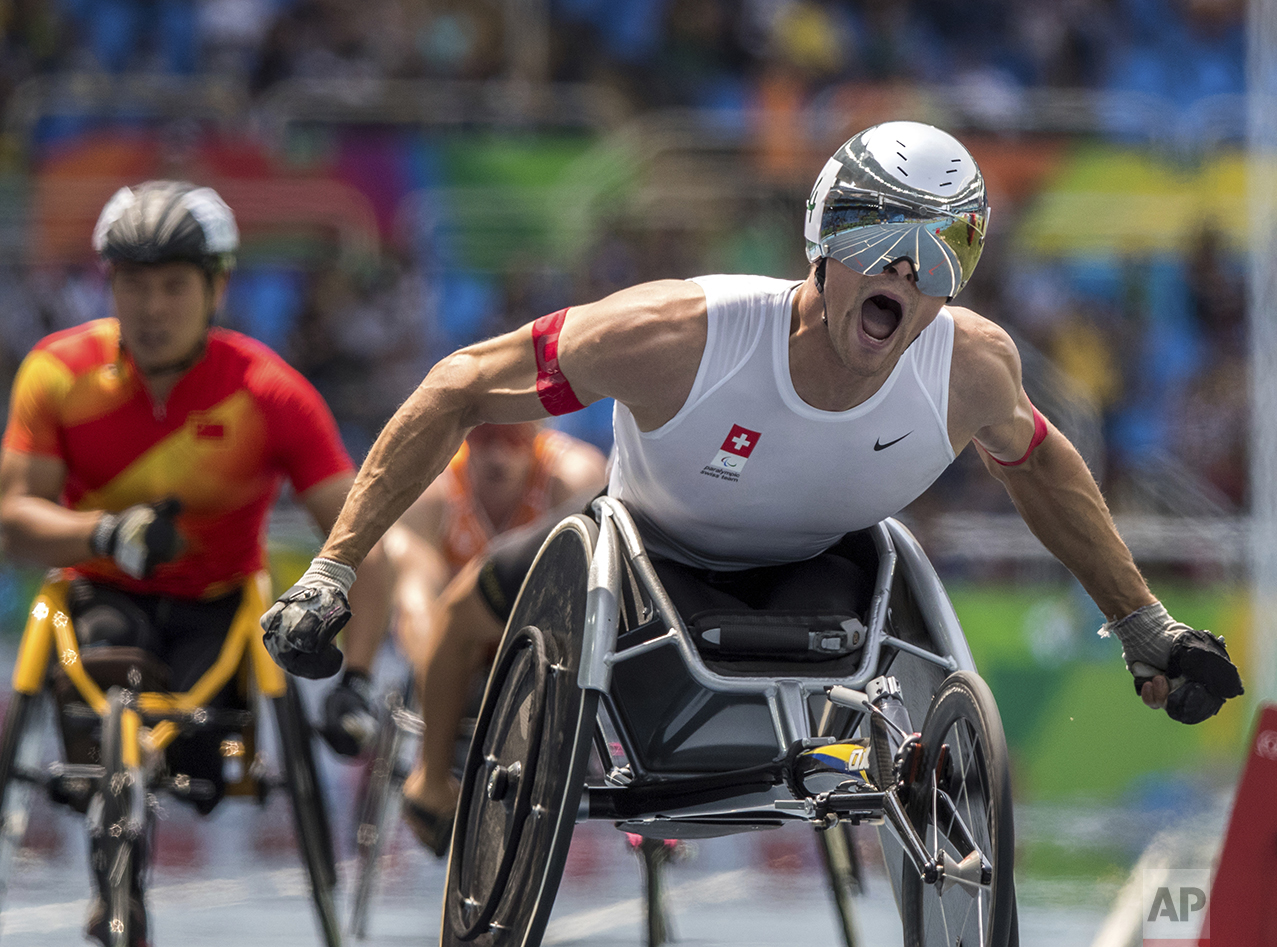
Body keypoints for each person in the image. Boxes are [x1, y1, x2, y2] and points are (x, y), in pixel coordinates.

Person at [262, 121, 1243, 792]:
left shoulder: (970, 366)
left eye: (943, 247)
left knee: (878, 582)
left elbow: (1040, 464)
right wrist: (331, 573)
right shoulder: (678, 332)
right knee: (483, 596)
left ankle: (844, 755)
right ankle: (436, 779)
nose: (908, 267)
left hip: (819, 578)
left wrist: (1145, 627)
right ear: (821, 234)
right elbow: (457, 384)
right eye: (883, 231)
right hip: (644, 569)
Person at [0, 180, 391, 947]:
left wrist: (358, 677)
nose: (151, 307)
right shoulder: (55, 373)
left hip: (218, 608)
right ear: (109, 284)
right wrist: (107, 535)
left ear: (216, 286)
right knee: (110, 664)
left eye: (173, 284)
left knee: (204, 740)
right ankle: (116, 840)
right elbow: (14, 520)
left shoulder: (271, 393)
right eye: (134, 284)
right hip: (99, 593)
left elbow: (362, 537)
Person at [316, 421, 606, 779]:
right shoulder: (434, 491)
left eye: (513, 437)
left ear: (538, 429)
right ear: (467, 432)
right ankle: (434, 778)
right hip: (459, 654)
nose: (498, 455)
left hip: (549, 654)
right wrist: (443, 685)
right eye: (485, 437)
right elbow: (417, 611)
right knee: (426, 621)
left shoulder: (573, 477)